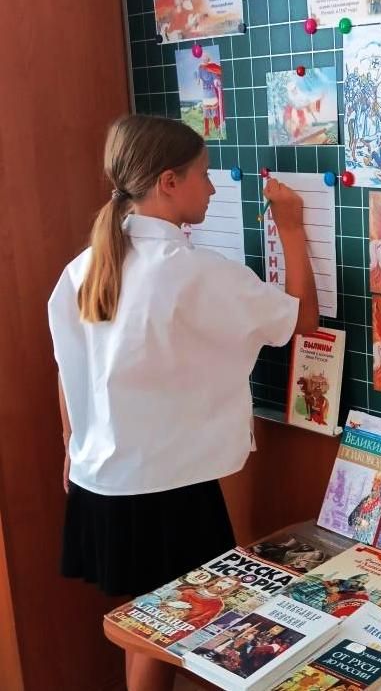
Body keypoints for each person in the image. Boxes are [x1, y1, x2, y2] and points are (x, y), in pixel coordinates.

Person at [49, 114, 318, 691]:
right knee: (170, 631)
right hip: (165, 493)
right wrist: (291, 229)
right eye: (203, 174)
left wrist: (72, 445)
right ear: (168, 182)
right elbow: (301, 320)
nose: (213, 188)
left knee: (143, 626)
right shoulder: (191, 271)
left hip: (102, 482)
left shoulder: (84, 266)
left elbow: (68, 371)